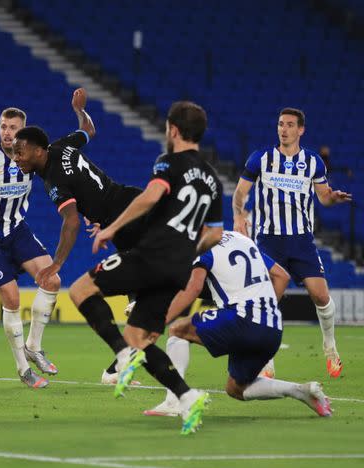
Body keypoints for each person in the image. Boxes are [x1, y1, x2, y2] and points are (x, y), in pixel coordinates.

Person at [74, 101, 223, 434]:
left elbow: (150, 196)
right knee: (139, 337)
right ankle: (187, 398)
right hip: (179, 268)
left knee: (80, 290)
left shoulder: (168, 163)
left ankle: (122, 357)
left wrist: (111, 228)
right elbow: (215, 233)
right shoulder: (213, 178)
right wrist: (188, 250)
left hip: (151, 255)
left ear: (173, 129)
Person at [11, 88, 147, 385]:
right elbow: (88, 129)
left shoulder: (53, 179)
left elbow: (71, 223)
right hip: (123, 207)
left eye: (19, 152)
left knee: (159, 273)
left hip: (123, 216)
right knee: (149, 286)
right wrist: (80, 111)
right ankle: (117, 366)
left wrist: (56, 264)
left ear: (37, 150)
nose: (16, 159)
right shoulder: (60, 146)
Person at [144, 230, 332, 419]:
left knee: (177, 330)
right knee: (236, 388)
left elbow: (193, 287)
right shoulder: (241, 238)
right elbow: (282, 276)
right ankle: (299, 391)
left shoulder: (202, 245)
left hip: (241, 318)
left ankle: (174, 401)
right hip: (272, 327)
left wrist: (158, 319)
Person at [232, 108, 352, 378]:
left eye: (289, 125)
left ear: (301, 130)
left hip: (301, 241)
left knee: (321, 295)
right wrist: (239, 216)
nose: (283, 129)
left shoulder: (313, 162)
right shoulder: (261, 159)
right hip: (268, 241)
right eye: (280, 124)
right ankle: (266, 360)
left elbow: (323, 197)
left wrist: (334, 197)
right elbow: (240, 193)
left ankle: (330, 348)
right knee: (268, 300)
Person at [0, 101, 72, 388]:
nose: (7, 132)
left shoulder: (31, 159)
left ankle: (33, 346)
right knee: (12, 299)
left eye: (13, 128)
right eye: (3, 126)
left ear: (23, 132)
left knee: (52, 280)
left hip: (18, 232)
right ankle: (23, 369)